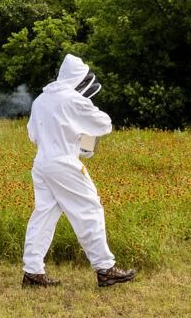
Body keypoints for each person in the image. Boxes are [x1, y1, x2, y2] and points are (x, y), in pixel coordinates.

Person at [22, 54, 137, 288]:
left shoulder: (41, 100)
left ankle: (32, 272)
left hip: (42, 163)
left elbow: (33, 135)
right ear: (79, 79)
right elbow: (104, 124)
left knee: (43, 215)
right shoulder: (73, 100)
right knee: (89, 209)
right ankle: (105, 269)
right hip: (64, 163)